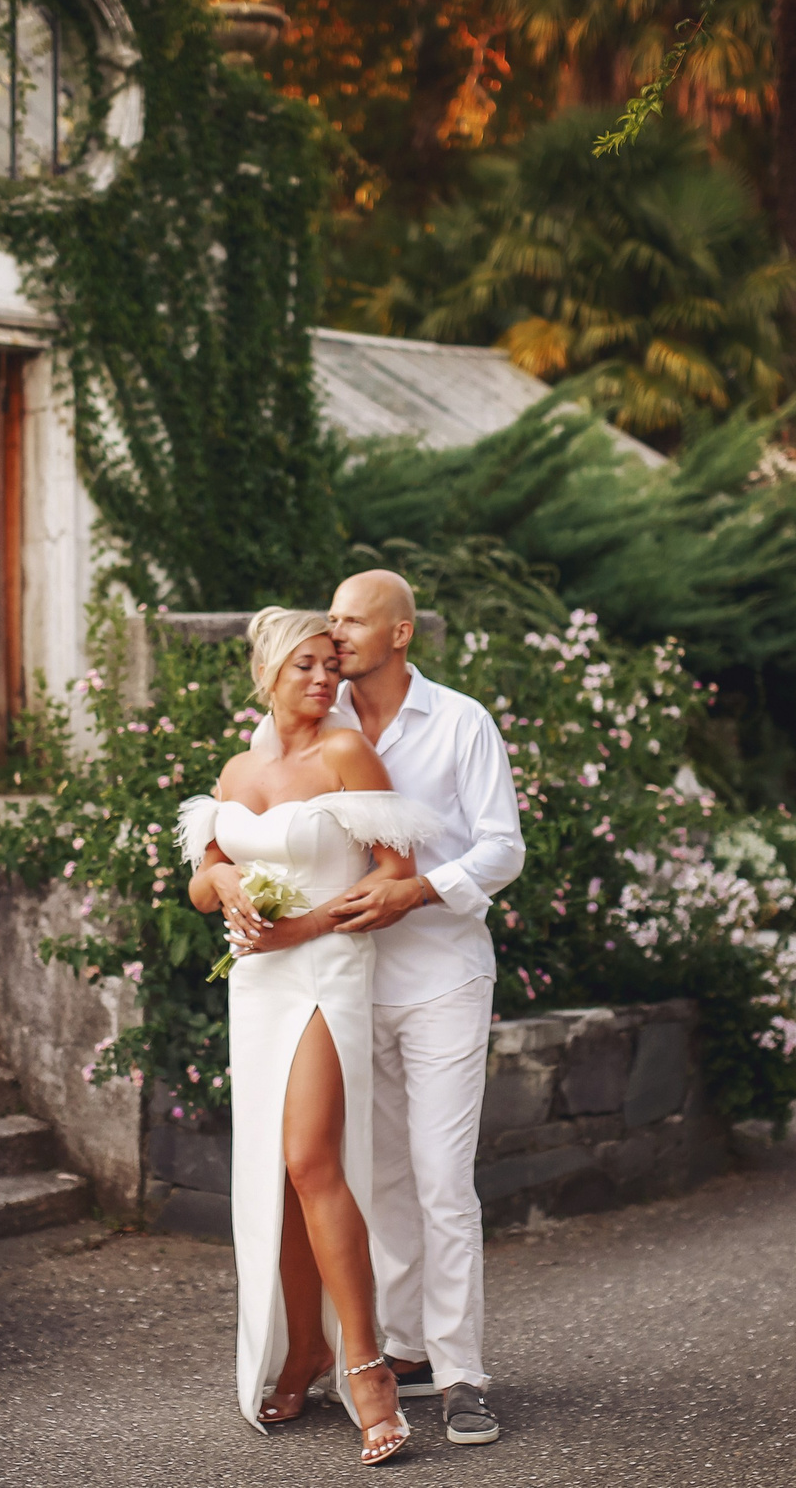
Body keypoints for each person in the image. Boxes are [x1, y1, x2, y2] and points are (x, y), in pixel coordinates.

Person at [253, 569, 526, 1446]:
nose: (335, 634)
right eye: (327, 620)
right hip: (344, 986)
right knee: (379, 1179)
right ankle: (400, 1346)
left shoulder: (461, 722)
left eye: (351, 620)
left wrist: (422, 893)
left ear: (399, 632)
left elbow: (503, 847)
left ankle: (462, 1373)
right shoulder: (316, 720)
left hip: (444, 974)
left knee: (444, 1179)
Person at [182, 607, 443, 1466]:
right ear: (266, 672)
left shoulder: (345, 755)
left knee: (311, 1159)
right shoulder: (238, 766)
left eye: (332, 665)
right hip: (257, 986)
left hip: (327, 971)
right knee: (282, 1172)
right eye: (306, 666)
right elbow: (200, 880)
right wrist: (219, 873)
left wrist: (305, 927)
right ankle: (302, 1349)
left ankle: (366, 1368)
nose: (325, 680)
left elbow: (393, 875)